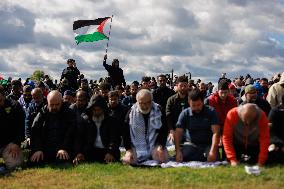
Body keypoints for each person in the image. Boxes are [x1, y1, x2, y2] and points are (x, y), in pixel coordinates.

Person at [122, 89, 168, 164]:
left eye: (148, 103)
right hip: (136, 147)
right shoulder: (131, 113)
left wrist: (161, 146)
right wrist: (128, 150)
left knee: (162, 159)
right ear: (137, 102)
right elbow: (125, 133)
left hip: (155, 144)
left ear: (151, 101)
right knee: (129, 160)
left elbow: (164, 130)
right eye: (142, 103)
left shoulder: (158, 110)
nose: (145, 106)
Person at [30, 90, 76, 164]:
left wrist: (64, 148)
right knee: (35, 161)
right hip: (44, 148)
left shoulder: (69, 114)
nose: (54, 107)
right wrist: (37, 149)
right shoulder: (42, 113)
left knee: (62, 161)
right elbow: (35, 131)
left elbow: (71, 133)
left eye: (57, 104)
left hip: (62, 148)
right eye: (51, 105)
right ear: (47, 103)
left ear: (61, 102)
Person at [175, 89, 220, 162]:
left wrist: (213, 150)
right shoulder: (184, 113)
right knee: (183, 156)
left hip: (208, 144)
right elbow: (178, 133)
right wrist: (177, 151)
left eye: (198, 105)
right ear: (189, 103)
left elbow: (216, 133)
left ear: (203, 102)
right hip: (191, 144)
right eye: (193, 105)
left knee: (214, 158)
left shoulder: (211, 111)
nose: (196, 108)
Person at [73, 95, 121, 164]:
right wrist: (79, 152)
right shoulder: (85, 120)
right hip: (90, 151)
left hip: (107, 150)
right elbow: (79, 138)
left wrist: (110, 152)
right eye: (94, 110)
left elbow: (114, 139)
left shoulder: (111, 120)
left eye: (99, 110)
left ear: (103, 109)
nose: (97, 113)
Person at [205, 80, 237, 159]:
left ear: (228, 92)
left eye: (225, 92)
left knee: (227, 156)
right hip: (213, 127)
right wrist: (218, 135)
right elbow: (208, 118)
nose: (223, 95)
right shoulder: (210, 100)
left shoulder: (233, 101)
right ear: (217, 91)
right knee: (215, 158)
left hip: (227, 127)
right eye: (221, 92)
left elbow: (234, 118)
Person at [0, 85, 25, 170]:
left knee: (15, 166)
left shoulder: (15, 106)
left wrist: (16, 143)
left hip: (10, 144)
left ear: (3, 95)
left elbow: (22, 127)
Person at [166, 76, 189, 142]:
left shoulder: (191, 99)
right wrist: (171, 130)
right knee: (171, 145)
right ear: (177, 86)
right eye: (181, 85)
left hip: (189, 129)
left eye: (185, 85)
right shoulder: (171, 100)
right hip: (175, 129)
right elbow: (168, 116)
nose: (183, 88)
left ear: (187, 86)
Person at [267, 94, 284, 164]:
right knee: (273, 149)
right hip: (276, 139)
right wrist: (279, 143)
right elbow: (270, 130)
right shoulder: (275, 111)